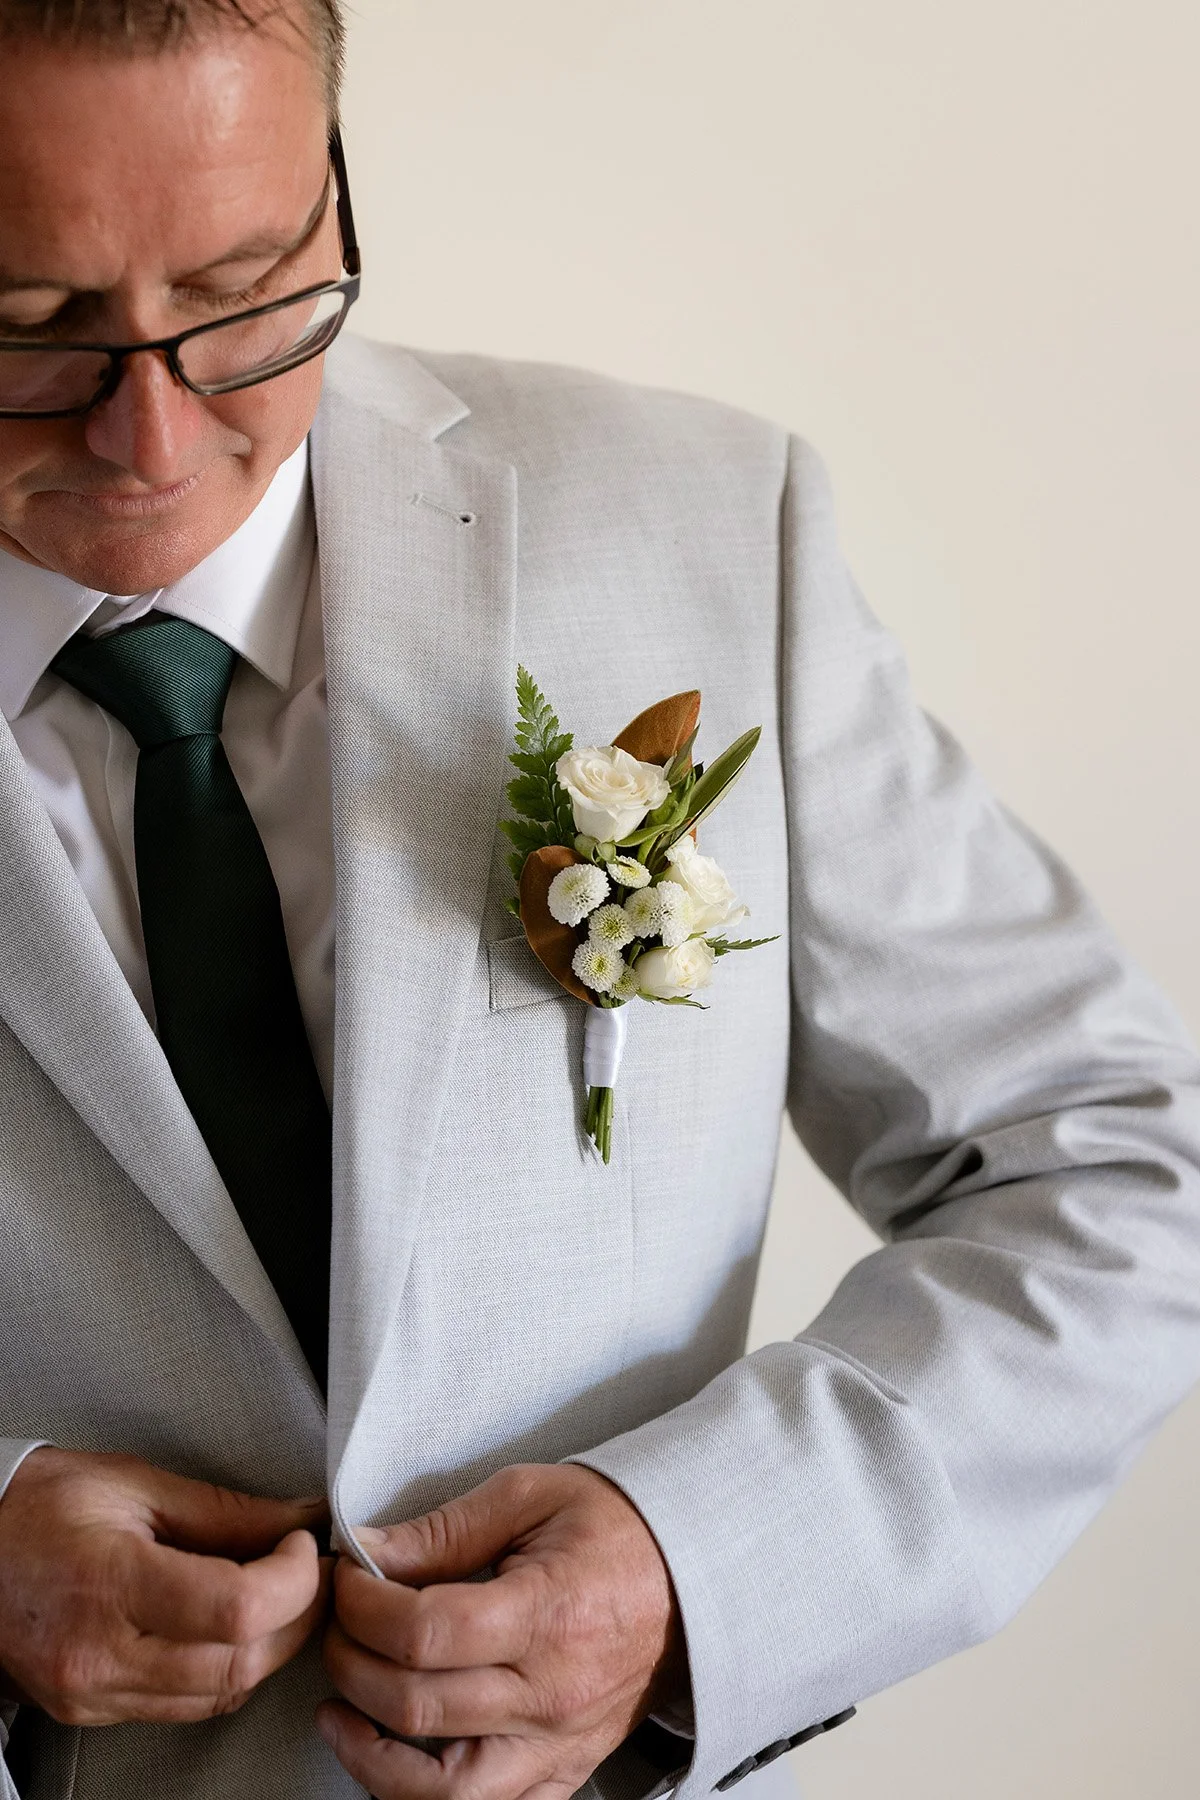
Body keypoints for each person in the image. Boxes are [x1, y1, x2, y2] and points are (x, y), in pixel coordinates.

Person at [1, 3, 1198, 1799]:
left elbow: (1109, 1166)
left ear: (338, 193)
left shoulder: (713, 524)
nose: (154, 437)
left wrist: (697, 1567)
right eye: (31, 330)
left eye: (244, 296)